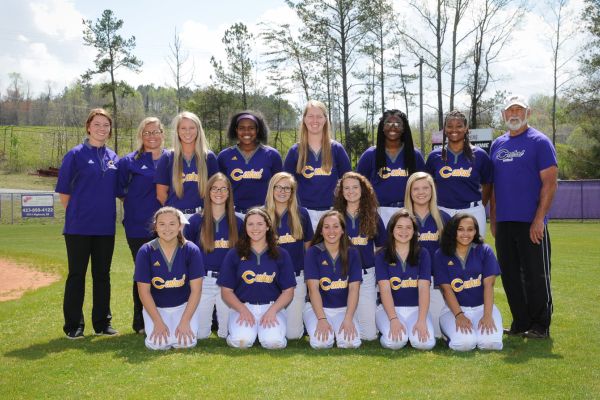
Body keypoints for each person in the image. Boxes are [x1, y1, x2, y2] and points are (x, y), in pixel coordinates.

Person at [490, 94, 558, 339]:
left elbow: (549, 183)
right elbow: (495, 186)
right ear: (503, 115)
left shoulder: (539, 142)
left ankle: (541, 324)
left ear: (527, 113)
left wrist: (539, 218)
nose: (514, 114)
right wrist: (494, 218)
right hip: (505, 222)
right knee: (509, 274)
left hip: (531, 221)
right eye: (510, 110)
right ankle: (520, 321)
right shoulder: (497, 145)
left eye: (519, 109)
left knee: (536, 274)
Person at [56, 108, 119, 339]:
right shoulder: (75, 154)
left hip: (105, 228)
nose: (102, 128)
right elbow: (64, 193)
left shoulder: (113, 158)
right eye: (97, 124)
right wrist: (80, 213)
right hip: (79, 228)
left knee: (102, 275)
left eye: (106, 125)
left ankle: (102, 323)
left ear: (110, 130)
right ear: (88, 127)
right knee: (77, 275)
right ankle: (74, 325)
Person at [217, 208, 296, 349]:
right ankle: (242, 333)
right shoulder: (234, 253)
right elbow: (226, 291)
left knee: (273, 343)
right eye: (250, 224)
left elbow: (288, 291)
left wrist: (272, 311)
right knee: (241, 342)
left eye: (260, 224)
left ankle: (265, 333)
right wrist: (242, 309)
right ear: (245, 227)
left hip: (272, 307)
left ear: (267, 226)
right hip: (243, 306)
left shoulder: (281, 254)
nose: (255, 228)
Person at [117, 116, 166, 334]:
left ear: (163, 133)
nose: (152, 136)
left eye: (156, 132)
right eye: (147, 133)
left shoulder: (171, 159)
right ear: (140, 135)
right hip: (138, 226)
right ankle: (140, 320)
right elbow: (120, 191)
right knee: (144, 272)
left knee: (166, 271)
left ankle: (165, 316)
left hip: (167, 227)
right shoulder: (129, 161)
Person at [134, 207, 204, 350]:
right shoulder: (145, 251)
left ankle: (181, 326)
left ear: (180, 226)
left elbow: (196, 290)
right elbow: (143, 292)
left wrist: (185, 321)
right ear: (155, 226)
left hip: (183, 306)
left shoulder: (191, 250)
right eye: (162, 224)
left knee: (185, 343)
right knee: (157, 345)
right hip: (157, 307)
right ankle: (159, 327)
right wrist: (158, 322)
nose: (167, 228)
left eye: (172, 224)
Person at [184, 173, 242, 339]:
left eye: (223, 189)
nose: (219, 192)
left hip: (229, 283)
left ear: (229, 192)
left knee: (226, 334)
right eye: (214, 188)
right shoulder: (196, 221)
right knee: (201, 335)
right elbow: (187, 254)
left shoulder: (237, 222)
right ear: (208, 192)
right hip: (204, 281)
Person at [434, 213, 503, 351]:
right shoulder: (441, 254)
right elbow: (447, 290)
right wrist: (459, 315)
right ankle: (455, 335)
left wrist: (487, 315)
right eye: (460, 229)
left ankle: (478, 333)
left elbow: (489, 285)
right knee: (464, 344)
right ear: (453, 230)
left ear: (476, 231)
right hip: (454, 310)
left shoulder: (485, 250)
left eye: (470, 229)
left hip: (482, 307)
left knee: (490, 344)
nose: (465, 233)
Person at [332, 172, 386, 341]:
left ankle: (376, 310)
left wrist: (372, 263)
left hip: (365, 275)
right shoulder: (335, 215)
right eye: (346, 188)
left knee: (369, 336)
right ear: (341, 191)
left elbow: (382, 246)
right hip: (339, 275)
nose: (351, 191)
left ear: (363, 190)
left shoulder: (373, 215)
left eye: (355, 187)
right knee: (342, 331)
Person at [283, 100, 351, 228]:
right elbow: (284, 185)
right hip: (302, 213)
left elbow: (348, 181)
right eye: (310, 116)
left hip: (332, 213)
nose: (315, 120)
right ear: (304, 119)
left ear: (325, 120)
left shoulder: (336, 149)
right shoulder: (295, 151)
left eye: (319, 116)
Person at [375, 209, 435, 350]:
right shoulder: (381, 255)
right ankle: (391, 332)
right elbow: (384, 289)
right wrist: (393, 319)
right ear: (392, 230)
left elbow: (424, 288)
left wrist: (421, 320)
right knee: (394, 343)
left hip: (416, 309)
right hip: (389, 309)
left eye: (409, 227)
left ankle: (410, 333)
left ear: (414, 231)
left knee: (425, 344)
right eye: (399, 227)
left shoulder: (423, 253)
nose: (404, 231)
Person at [426, 110, 493, 237]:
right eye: (449, 126)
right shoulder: (434, 156)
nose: (454, 130)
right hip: (442, 212)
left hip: (472, 211)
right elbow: (429, 184)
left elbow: (488, 185)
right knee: (444, 254)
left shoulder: (479, 155)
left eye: (459, 126)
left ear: (466, 128)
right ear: (444, 129)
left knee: (474, 253)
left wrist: (479, 206)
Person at [264, 172, 314, 340]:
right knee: (271, 329)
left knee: (293, 335)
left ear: (293, 192)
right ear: (272, 189)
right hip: (268, 279)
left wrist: (309, 278)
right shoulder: (261, 215)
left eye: (287, 188)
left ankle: (307, 310)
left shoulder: (302, 214)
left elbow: (309, 249)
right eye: (278, 187)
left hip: (295, 278)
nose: (282, 191)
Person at [303, 210, 362, 349]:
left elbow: (354, 289)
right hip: (317, 309)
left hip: (344, 309)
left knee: (350, 344)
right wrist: (322, 319)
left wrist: (348, 318)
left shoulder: (352, 252)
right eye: (326, 227)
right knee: (321, 344)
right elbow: (313, 290)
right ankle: (328, 329)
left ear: (342, 230)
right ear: (321, 231)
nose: (331, 231)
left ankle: (340, 329)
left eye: (336, 226)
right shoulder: (313, 252)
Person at [357, 109, 425, 226]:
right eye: (388, 123)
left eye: (398, 123)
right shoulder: (370, 154)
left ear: (404, 128)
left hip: (408, 211)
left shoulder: (414, 155)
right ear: (382, 127)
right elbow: (359, 185)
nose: (392, 127)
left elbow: (424, 185)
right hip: (378, 212)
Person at [404, 171, 450, 338]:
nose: (421, 192)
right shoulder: (401, 219)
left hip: (435, 281)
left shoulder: (443, 218)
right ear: (409, 191)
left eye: (425, 188)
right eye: (416, 188)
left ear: (432, 191)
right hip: (408, 281)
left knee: (437, 334)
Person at [155, 111, 219, 218]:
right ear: (177, 131)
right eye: (183, 128)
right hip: (176, 218)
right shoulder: (167, 157)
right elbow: (161, 194)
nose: (187, 132)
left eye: (192, 128)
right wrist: (173, 215)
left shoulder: (209, 157)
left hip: (202, 217)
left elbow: (216, 191)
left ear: (198, 130)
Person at [218, 111, 282, 215]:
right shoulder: (224, 156)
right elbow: (217, 188)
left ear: (257, 130)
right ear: (236, 130)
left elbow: (279, 187)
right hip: (233, 215)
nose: (246, 132)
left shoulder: (272, 155)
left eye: (251, 128)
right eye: (241, 128)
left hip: (264, 214)